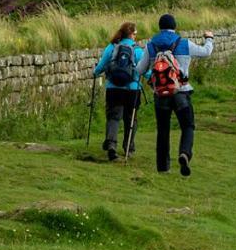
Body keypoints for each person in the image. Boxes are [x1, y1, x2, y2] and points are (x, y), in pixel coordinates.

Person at [136, 13, 214, 176]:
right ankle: (184, 153)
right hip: (181, 92)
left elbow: (140, 70)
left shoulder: (151, 46)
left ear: (159, 27)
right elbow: (206, 52)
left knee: (163, 130)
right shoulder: (184, 43)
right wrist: (209, 38)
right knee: (187, 126)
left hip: (160, 95)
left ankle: (163, 167)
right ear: (174, 26)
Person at [92, 21, 144, 160]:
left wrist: (95, 72)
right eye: (135, 34)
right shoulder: (137, 50)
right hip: (132, 89)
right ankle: (129, 148)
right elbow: (145, 70)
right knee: (131, 119)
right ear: (131, 34)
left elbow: (101, 66)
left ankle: (111, 145)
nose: (135, 36)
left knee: (113, 117)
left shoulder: (112, 47)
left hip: (114, 88)